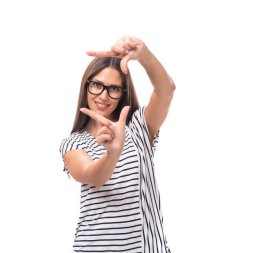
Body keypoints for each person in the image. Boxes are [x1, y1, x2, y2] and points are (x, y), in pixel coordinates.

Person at [59, 35, 175, 253]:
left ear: (123, 93)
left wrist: (144, 55)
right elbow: (94, 176)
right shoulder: (73, 142)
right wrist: (112, 154)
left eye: (113, 88)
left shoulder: (139, 126)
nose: (103, 95)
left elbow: (166, 91)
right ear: (86, 86)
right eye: (97, 85)